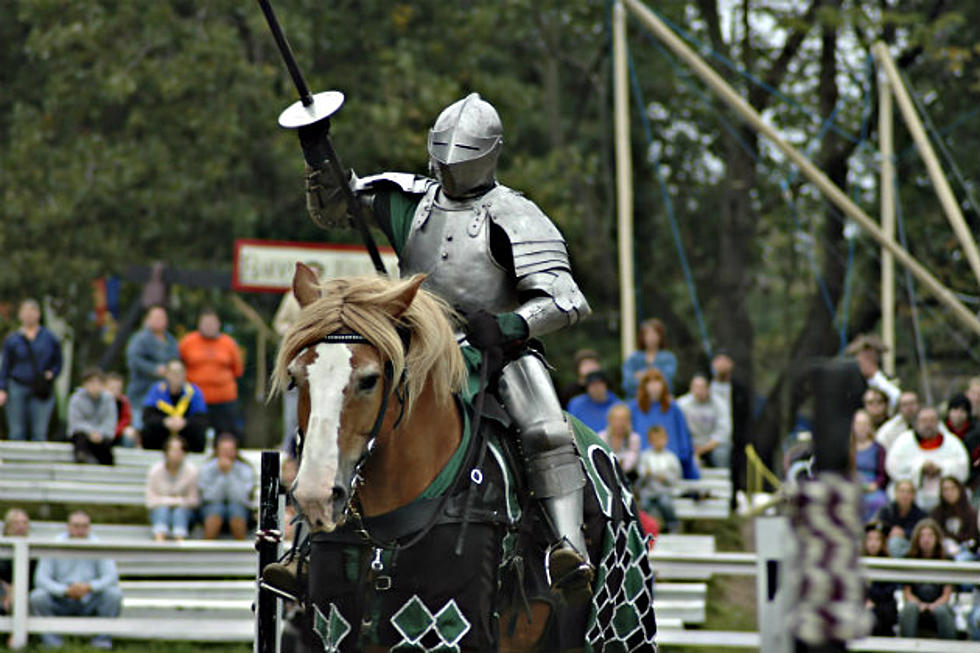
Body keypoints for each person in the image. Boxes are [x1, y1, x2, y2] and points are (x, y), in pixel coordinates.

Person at [301, 92, 594, 593]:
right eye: (445, 156)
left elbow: (566, 300)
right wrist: (316, 152)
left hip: (499, 354)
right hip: (414, 349)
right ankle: (307, 545)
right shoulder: (410, 201)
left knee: (546, 430)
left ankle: (568, 550)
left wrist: (509, 326)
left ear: (489, 155)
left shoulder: (515, 216)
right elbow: (336, 207)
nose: (452, 169)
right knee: (339, 406)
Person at [30, 510, 123, 649]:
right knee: (38, 597)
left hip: (90, 598)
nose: (80, 530)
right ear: (68, 526)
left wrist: (89, 587)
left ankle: (102, 641)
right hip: (61, 598)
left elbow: (111, 577)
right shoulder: (54, 544)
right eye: (76, 525)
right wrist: (65, 590)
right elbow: (41, 579)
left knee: (114, 595)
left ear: (89, 527)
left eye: (84, 526)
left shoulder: (98, 544)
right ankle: (52, 644)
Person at [0, 299, 62, 441]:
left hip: (40, 388)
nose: (29, 315)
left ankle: (40, 463)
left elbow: (58, 361)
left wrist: (52, 373)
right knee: (16, 431)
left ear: (38, 314)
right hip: (17, 385)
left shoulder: (49, 338)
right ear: (20, 315)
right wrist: (2, 388)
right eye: (26, 312)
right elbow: (5, 366)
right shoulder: (13, 339)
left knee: (39, 432)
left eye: (32, 311)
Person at [886, 407, 969, 511]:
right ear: (916, 423)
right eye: (924, 420)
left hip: (943, 494)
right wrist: (920, 467)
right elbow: (893, 466)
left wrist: (941, 468)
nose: (928, 424)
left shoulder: (952, 443)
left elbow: (962, 467)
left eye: (932, 420)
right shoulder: (904, 441)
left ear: (938, 423)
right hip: (913, 494)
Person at [179, 308, 244, 437]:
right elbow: (179, 367)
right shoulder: (187, 342)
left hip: (224, 400)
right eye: (206, 323)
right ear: (199, 325)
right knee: (194, 435)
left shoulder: (229, 343)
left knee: (227, 435)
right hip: (195, 399)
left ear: (218, 324)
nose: (209, 327)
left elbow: (237, 370)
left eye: (212, 323)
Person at [628, 368, 699, 479]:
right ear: (643, 386)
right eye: (649, 382)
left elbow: (683, 436)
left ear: (663, 385)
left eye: (657, 381)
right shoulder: (634, 408)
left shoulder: (674, 408)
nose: (654, 386)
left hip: (670, 464)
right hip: (644, 464)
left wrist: (683, 457)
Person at [898, 518, 956, 639]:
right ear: (917, 539)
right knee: (910, 608)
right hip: (917, 607)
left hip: (939, 605)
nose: (926, 540)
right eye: (922, 536)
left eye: (930, 536)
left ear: (936, 538)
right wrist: (920, 605)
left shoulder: (947, 560)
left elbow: (947, 594)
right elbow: (907, 593)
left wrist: (934, 606)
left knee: (942, 611)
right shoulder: (908, 559)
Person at [710, 349, 753, 507]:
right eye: (718, 360)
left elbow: (745, 417)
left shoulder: (740, 390)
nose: (721, 365)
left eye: (724, 361)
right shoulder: (706, 387)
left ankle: (731, 506)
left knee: (733, 473)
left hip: (733, 439)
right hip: (711, 439)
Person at [125, 305, 178, 431]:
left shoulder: (171, 341)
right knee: (138, 427)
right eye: (156, 317)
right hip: (141, 394)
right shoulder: (140, 339)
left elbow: (176, 362)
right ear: (148, 320)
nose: (159, 321)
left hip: (164, 397)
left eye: (162, 318)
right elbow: (133, 360)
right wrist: (154, 369)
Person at [141, 359, 208, 452]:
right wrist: (165, 422)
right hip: (163, 430)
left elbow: (201, 419)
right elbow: (148, 416)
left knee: (199, 432)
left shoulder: (193, 392)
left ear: (185, 374)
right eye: (173, 372)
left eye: (179, 372)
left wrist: (185, 422)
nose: (176, 376)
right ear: (167, 374)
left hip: (185, 430)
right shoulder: (157, 391)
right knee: (149, 430)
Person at [198, 433, 253, 540]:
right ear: (217, 450)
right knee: (215, 512)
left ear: (235, 451)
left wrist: (229, 473)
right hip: (212, 505)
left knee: (236, 512)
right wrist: (222, 476)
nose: (226, 453)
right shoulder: (207, 468)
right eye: (223, 450)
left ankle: (241, 550)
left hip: (238, 505)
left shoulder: (245, 469)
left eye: (230, 450)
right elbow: (208, 497)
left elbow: (241, 497)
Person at [145, 434, 200, 541]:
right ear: (166, 452)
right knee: (162, 511)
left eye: (180, 450)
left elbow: (194, 500)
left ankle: (180, 543)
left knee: (179, 512)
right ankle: (159, 543)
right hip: (159, 511)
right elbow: (150, 501)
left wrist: (167, 501)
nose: (177, 454)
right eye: (173, 450)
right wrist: (176, 501)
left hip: (185, 513)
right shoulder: (155, 471)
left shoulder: (192, 471)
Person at [677, 372, 732, 469]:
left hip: (712, 445)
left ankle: (722, 478)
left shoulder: (720, 404)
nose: (698, 391)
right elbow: (677, 429)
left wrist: (704, 448)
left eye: (701, 387)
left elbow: (724, 431)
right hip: (689, 444)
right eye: (695, 387)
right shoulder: (681, 404)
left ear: (708, 388)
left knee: (722, 451)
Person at [67, 367, 118, 465]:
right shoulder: (76, 399)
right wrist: (90, 432)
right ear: (84, 384)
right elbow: (75, 422)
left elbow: (110, 421)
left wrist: (100, 433)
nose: (95, 386)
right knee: (80, 437)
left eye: (98, 383)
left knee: (107, 448)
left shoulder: (109, 400)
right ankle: (82, 457)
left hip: (102, 436)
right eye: (91, 383)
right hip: (83, 434)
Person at [636, 426, 681, 533]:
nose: (658, 442)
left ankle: (672, 524)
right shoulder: (645, 456)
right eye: (655, 440)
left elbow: (676, 476)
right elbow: (641, 472)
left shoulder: (671, 457)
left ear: (666, 439)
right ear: (650, 441)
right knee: (644, 505)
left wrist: (666, 478)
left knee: (665, 503)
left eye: (660, 439)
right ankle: (644, 528)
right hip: (648, 490)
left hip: (664, 491)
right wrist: (646, 474)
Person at [622, 318, 677, 397]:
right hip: (637, 401)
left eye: (654, 334)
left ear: (660, 336)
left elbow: (667, 382)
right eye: (647, 334)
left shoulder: (669, 358)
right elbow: (627, 384)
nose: (651, 337)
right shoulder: (633, 358)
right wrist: (656, 376)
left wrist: (642, 376)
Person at [846, 333, 900, 412]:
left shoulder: (885, 379)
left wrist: (874, 375)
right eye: (862, 354)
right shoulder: (849, 381)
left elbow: (896, 397)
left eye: (874, 353)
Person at [874, 479, 928, 558]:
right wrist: (891, 532)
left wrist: (904, 533)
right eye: (902, 491)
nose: (905, 495)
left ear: (914, 495)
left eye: (908, 492)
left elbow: (923, 533)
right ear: (896, 493)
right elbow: (878, 529)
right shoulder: (886, 511)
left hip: (913, 547)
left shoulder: (921, 514)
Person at [929, 476, 979, 560]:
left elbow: (973, 536)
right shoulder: (936, 513)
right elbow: (935, 534)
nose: (949, 492)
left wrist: (956, 541)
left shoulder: (971, 513)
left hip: (966, 551)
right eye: (945, 489)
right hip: (942, 550)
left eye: (952, 489)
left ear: (959, 490)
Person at [862, 522, 898, 637]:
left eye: (877, 540)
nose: (873, 544)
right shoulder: (857, 562)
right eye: (870, 539)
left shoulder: (889, 564)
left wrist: (873, 601)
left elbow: (889, 591)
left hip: (883, 611)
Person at [852, 409, 888, 522]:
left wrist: (875, 485)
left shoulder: (879, 448)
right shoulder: (846, 448)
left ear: (870, 426)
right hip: (852, 485)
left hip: (871, 487)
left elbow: (882, 474)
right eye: (858, 424)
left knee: (880, 502)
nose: (861, 427)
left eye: (865, 424)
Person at [0, 508, 32, 624]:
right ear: (8, 526)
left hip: (25, 590)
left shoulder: (34, 551)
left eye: (24, 523)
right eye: (16, 523)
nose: (21, 526)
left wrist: (15, 589)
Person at [597, 403, 641, 480]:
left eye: (624, 419)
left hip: (627, 477)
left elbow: (630, 464)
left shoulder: (634, 438)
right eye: (616, 419)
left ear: (629, 421)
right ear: (609, 420)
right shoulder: (601, 437)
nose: (620, 423)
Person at [105, 371, 138, 447]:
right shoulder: (100, 401)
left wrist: (115, 431)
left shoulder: (123, 402)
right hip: (102, 433)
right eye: (112, 389)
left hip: (117, 433)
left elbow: (126, 420)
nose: (115, 392)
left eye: (118, 389)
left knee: (130, 433)